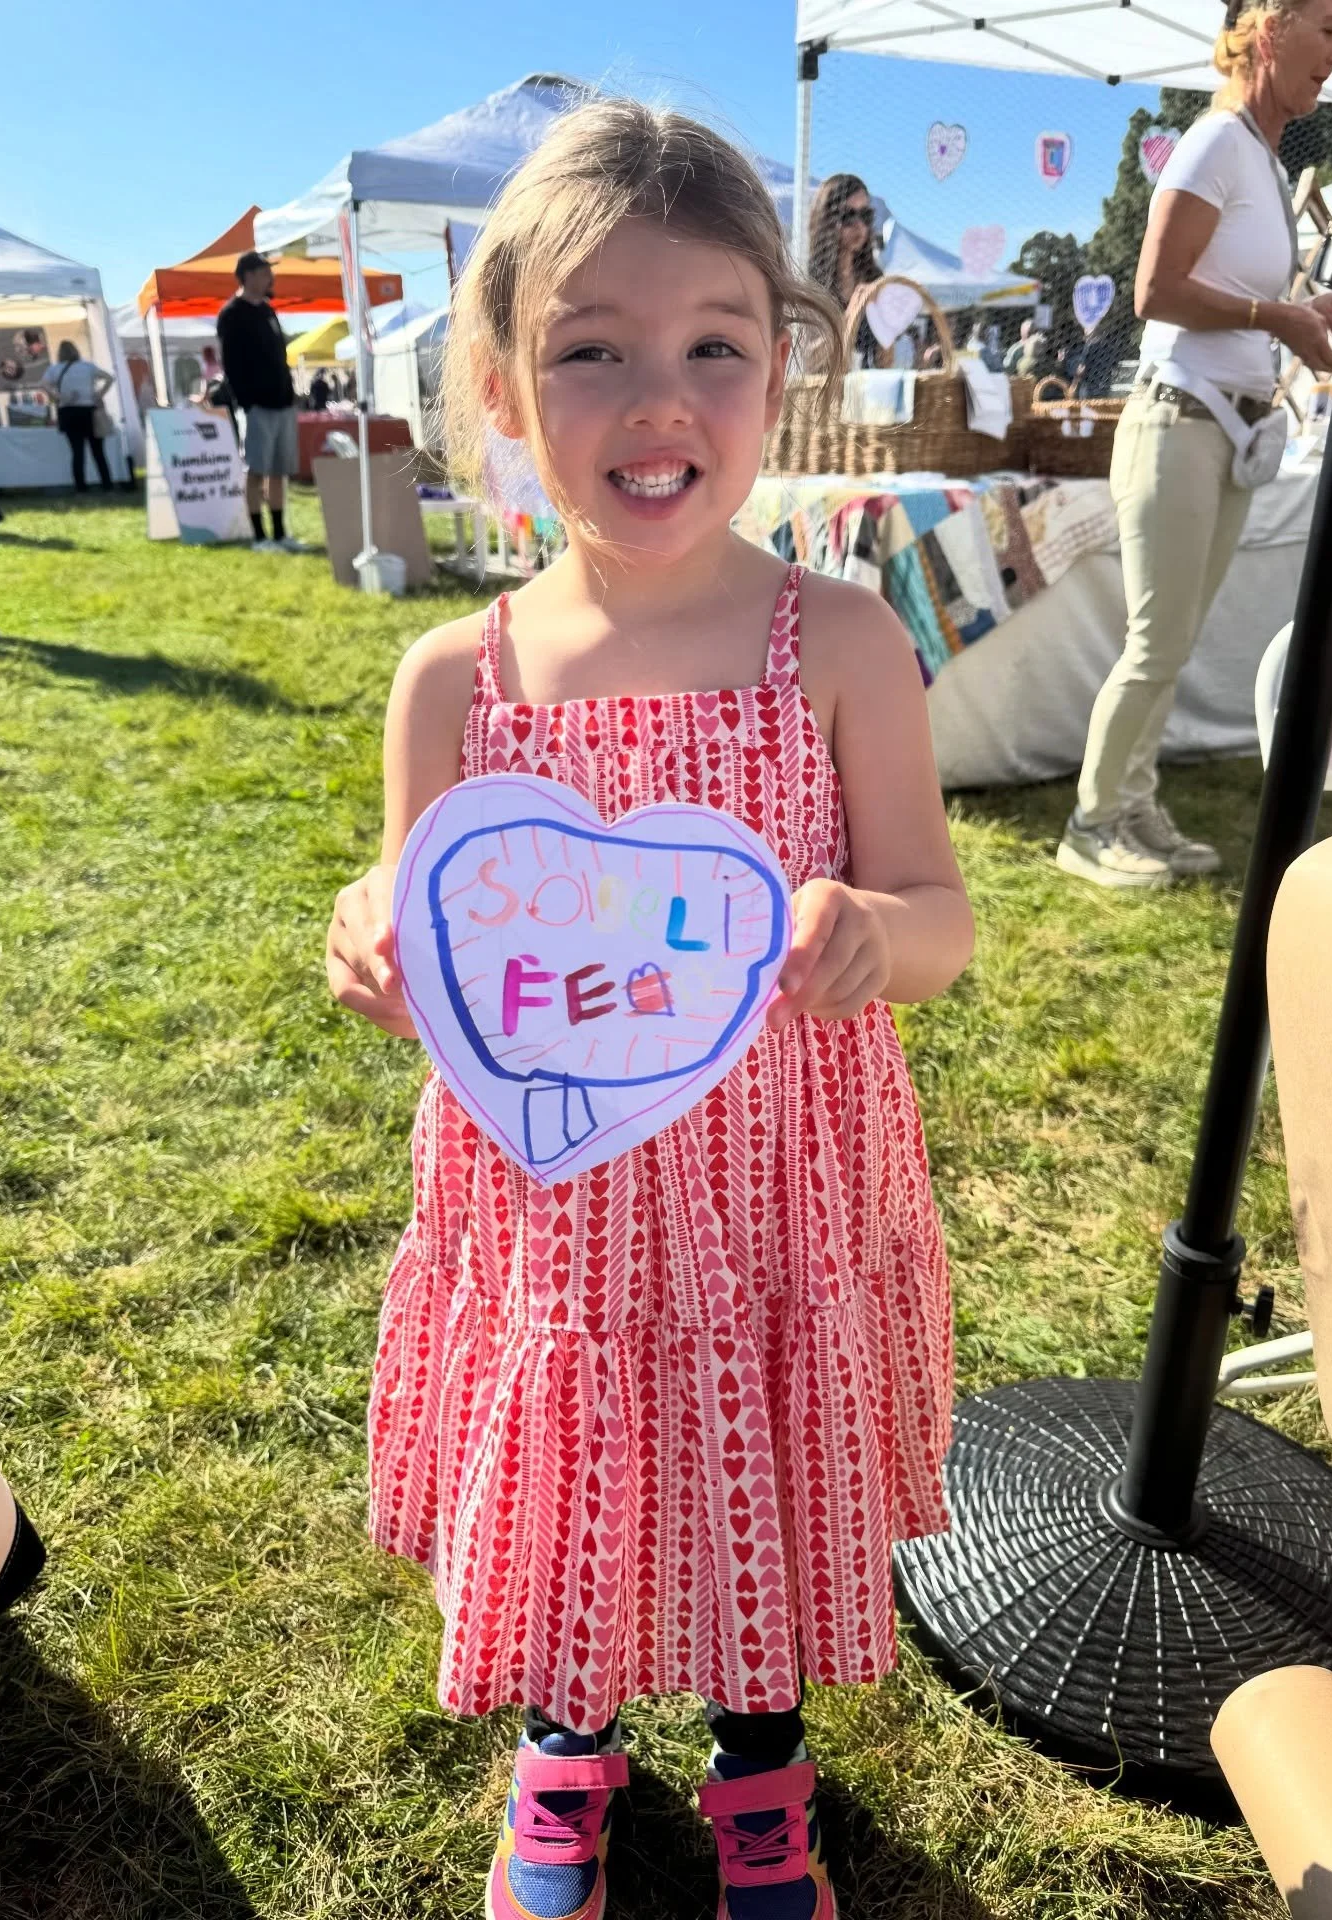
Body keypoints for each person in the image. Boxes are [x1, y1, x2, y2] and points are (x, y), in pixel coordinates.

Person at [324, 98, 973, 1920]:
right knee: (577, 1466)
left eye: (712, 347)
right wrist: (370, 947)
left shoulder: (839, 645)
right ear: (510, 393)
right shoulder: (455, 678)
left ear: (782, 372)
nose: (658, 401)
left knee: (756, 1456)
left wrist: (876, 934)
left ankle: (760, 1764)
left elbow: (945, 911)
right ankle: (566, 1743)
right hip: (558, 1216)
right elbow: (425, 943)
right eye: (592, 354)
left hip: (781, 1196)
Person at [1058, 0, 1332, 888]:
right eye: (1330, 29)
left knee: (1173, 641)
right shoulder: (1219, 142)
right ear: (1271, 29)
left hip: (1220, 429)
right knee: (1155, 642)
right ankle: (1091, 824)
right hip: (1176, 421)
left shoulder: (1260, 157)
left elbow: (1229, 294)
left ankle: (1134, 806)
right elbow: (1154, 290)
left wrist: (1306, 313)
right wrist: (1279, 317)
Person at [217, 250, 303, 552]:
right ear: (249, 275)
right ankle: (259, 537)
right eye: (266, 272)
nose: (271, 277)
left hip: (282, 402)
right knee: (256, 471)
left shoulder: (268, 310)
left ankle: (280, 534)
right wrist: (247, 402)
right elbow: (231, 366)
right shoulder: (231, 314)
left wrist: (290, 393)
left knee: (279, 470)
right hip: (257, 406)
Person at [807, 171, 893, 368]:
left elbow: (885, 363)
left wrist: (887, 326)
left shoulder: (873, 277)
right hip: (823, 394)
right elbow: (806, 360)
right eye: (848, 216)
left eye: (866, 215)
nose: (859, 226)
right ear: (827, 219)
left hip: (867, 392)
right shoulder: (810, 282)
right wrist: (851, 316)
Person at [43, 340, 115, 493]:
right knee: (98, 451)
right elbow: (109, 378)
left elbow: (44, 384)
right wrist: (99, 394)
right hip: (89, 410)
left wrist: (58, 396)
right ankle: (107, 484)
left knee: (77, 451)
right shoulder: (88, 367)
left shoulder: (55, 369)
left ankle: (81, 486)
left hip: (68, 411)